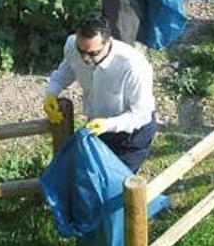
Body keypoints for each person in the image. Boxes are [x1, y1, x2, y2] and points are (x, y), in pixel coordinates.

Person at [42, 12, 157, 173]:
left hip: (130, 135)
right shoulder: (72, 46)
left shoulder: (133, 66)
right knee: (93, 178)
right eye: (81, 50)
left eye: (93, 53)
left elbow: (141, 115)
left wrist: (108, 124)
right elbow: (66, 71)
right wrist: (51, 93)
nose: (85, 59)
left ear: (108, 42)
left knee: (117, 185)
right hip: (98, 128)